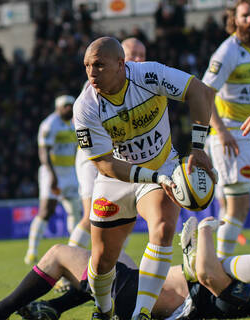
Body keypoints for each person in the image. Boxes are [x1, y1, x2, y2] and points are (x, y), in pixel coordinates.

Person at [74, 36, 215, 320]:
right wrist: (152, 177)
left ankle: (142, 314)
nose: (91, 73)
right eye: (87, 65)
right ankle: (103, 311)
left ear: (121, 64)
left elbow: (200, 91)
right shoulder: (85, 106)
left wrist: (198, 148)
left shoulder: (150, 74)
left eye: (99, 65)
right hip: (116, 177)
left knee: (163, 227)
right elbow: (104, 164)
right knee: (102, 260)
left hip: (162, 165)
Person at [0, 216, 250, 320]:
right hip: (147, 288)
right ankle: (54, 308)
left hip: (139, 297)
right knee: (115, 255)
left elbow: (208, 273)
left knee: (59, 254)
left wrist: (207, 228)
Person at [202, 0, 250, 259]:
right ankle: (221, 265)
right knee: (237, 207)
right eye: (245, 16)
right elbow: (205, 93)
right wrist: (221, 131)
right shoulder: (227, 52)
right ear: (234, 19)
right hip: (230, 137)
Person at [68, 37, 147, 251]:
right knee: (91, 215)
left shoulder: (141, 83)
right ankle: (67, 272)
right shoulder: (99, 81)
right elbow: (79, 121)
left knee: (123, 218)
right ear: (120, 59)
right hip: (94, 157)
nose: (139, 59)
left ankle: (111, 270)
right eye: (134, 54)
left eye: (142, 54)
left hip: (121, 157)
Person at [24, 95, 81, 265]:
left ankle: (74, 248)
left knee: (75, 210)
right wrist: (52, 176)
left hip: (71, 171)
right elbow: (44, 153)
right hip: (53, 172)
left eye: (71, 105)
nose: (69, 109)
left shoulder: (74, 123)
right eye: (66, 106)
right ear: (58, 107)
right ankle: (32, 251)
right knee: (46, 210)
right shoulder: (49, 124)